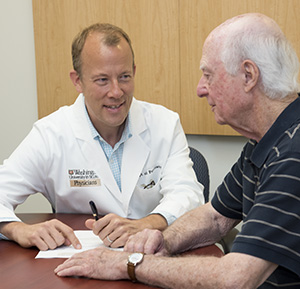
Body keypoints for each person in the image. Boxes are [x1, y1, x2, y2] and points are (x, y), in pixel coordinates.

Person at [54, 13, 300, 289]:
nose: (200, 88)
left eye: (208, 74)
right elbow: (215, 217)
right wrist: (163, 241)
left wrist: (129, 263)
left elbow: (234, 281)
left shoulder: (293, 154)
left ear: (248, 76)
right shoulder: (264, 140)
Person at [0, 23, 204, 251]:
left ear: (134, 72)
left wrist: (145, 224)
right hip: (80, 267)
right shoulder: (51, 134)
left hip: (152, 256)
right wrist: (17, 229)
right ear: (77, 80)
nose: (116, 92)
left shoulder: (164, 124)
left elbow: (188, 194)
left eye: (124, 76)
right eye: (102, 80)